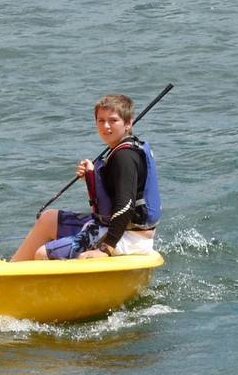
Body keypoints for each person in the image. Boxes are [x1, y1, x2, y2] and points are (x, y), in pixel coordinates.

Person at [11, 94, 162, 261]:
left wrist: (106, 249)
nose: (106, 126)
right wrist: (93, 177)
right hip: (118, 229)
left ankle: (33, 284)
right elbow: (112, 192)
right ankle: (9, 271)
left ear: (128, 123)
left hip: (127, 238)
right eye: (101, 120)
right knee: (48, 218)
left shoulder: (124, 157)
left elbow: (125, 206)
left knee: (43, 254)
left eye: (113, 120)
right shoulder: (121, 150)